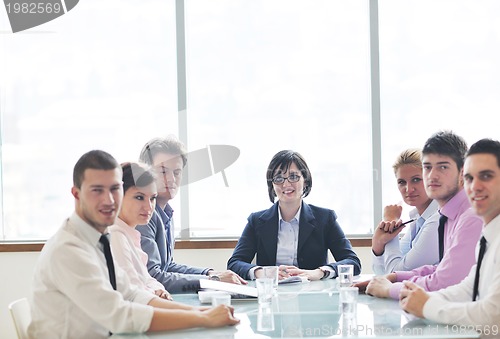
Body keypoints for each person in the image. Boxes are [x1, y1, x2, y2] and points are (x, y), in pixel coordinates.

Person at [28, 150, 239, 338]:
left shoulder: (98, 239)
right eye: (97, 190)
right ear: (76, 194)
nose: (109, 200)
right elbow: (119, 316)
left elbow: (131, 293)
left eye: (114, 189)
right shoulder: (69, 249)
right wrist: (204, 319)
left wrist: (202, 311)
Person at [356, 131, 482, 299]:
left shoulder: (471, 215)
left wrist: (390, 288)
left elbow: (446, 281)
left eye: (443, 167)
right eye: (428, 167)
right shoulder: (445, 215)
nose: (432, 175)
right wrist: (394, 278)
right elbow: (440, 268)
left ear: (463, 171)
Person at [400, 138, 500, 331]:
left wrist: (427, 305)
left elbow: (492, 316)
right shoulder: (488, 236)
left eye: (486, 176)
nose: (474, 186)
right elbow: (469, 288)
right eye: (469, 178)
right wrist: (419, 299)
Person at [227, 150, 361, 281]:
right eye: (278, 178)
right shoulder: (256, 221)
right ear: (272, 185)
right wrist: (263, 273)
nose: (286, 184)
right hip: (270, 295)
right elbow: (234, 263)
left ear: (306, 180)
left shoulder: (325, 218)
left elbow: (353, 262)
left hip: (312, 296)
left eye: (293, 176)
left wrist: (319, 272)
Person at [137, 137, 246, 293]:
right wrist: (212, 280)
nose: (172, 179)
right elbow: (154, 276)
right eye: (163, 171)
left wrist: (209, 273)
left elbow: (167, 266)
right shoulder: (143, 215)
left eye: (177, 172)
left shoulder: (165, 212)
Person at [109, 162, 172, 300]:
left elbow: (146, 279)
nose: (149, 207)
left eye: (152, 198)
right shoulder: (115, 235)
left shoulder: (129, 234)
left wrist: (159, 290)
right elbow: (132, 293)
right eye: (139, 197)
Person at [372, 149, 440, 274]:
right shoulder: (418, 220)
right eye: (402, 182)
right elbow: (381, 275)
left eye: (416, 180)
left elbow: (395, 274)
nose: (408, 189)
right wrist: (378, 244)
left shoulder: (438, 221)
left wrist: (391, 223)